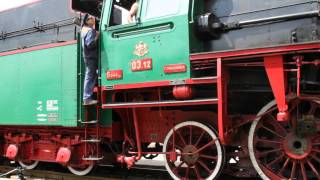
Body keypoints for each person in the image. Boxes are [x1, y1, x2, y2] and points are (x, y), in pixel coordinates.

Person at [81, 14, 100, 106]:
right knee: (90, 76)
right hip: (91, 57)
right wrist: (97, 36)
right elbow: (90, 44)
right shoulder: (90, 31)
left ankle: (87, 97)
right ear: (87, 21)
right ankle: (87, 98)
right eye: (91, 18)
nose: (93, 19)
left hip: (88, 56)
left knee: (90, 76)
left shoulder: (83, 30)